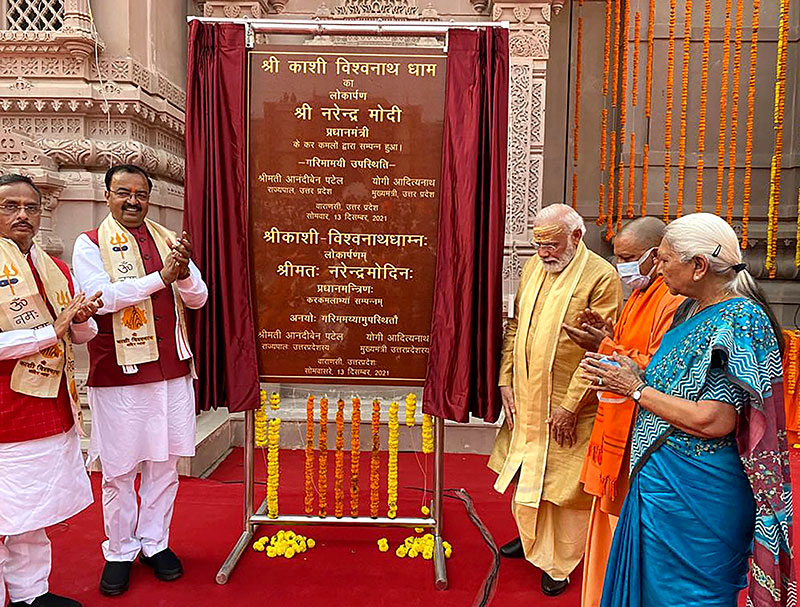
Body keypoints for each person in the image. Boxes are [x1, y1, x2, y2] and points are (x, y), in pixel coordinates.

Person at [581, 213, 794, 607]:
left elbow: (713, 419)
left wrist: (636, 389)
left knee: (690, 598)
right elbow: (681, 384)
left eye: (663, 260)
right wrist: (631, 371)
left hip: (698, 491)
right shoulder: (691, 310)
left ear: (698, 266)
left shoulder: (740, 320)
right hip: (662, 481)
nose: (657, 270)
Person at [72, 165, 208, 596]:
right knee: (119, 469)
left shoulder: (168, 240)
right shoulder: (89, 243)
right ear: (107, 195)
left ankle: (155, 542)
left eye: (141, 194)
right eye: (123, 193)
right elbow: (101, 298)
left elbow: (199, 297)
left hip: (170, 369)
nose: (133, 201)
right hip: (120, 374)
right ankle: (119, 549)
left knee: (165, 465)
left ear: (150, 198)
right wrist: (161, 279)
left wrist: (183, 273)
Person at [488, 203, 622, 596]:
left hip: (571, 405)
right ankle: (532, 543)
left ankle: (559, 564)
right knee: (529, 472)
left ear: (576, 237)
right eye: (538, 243)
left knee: (564, 486)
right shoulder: (534, 268)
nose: (544, 252)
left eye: (551, 244)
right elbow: (514, 328)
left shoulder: (601, 277)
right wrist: (505, 380)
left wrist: (569, 405)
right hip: (529, 397)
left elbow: (602, 350)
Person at [562, 216, 684, 607]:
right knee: (608, 526)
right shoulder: (641, 292)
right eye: (618, 257)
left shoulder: (674, 299)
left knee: (629, 529)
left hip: (641, 430)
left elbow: (661, 368)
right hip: (616, 425)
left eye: (630, 257)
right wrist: (606, 336)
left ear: (656, 255)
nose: (622, 267)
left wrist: (607, 348)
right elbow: (629, 346)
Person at [0, 174, 102, 607]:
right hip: (6, 412)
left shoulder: (54, 266)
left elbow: (81, 336)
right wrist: (51, 331)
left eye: (31, 207)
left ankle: (31, 594)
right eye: (10, 206)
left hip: (50, 405)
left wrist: (79, 319)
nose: (23, 214)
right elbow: (50, 334)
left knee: (32, 512)